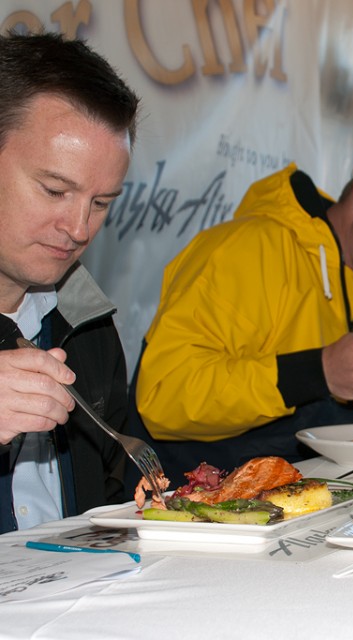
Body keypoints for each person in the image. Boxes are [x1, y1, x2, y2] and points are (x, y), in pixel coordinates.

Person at [127, 128, 353, 486]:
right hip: (194, 522)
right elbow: (162, 396)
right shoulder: (246, 249)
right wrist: (317, 373)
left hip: (308, 514)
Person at [0, 32, 140, 533]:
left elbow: (112, 492)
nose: (79, 229)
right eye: (55, 189)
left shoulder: (87, 323)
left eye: (101, 203)